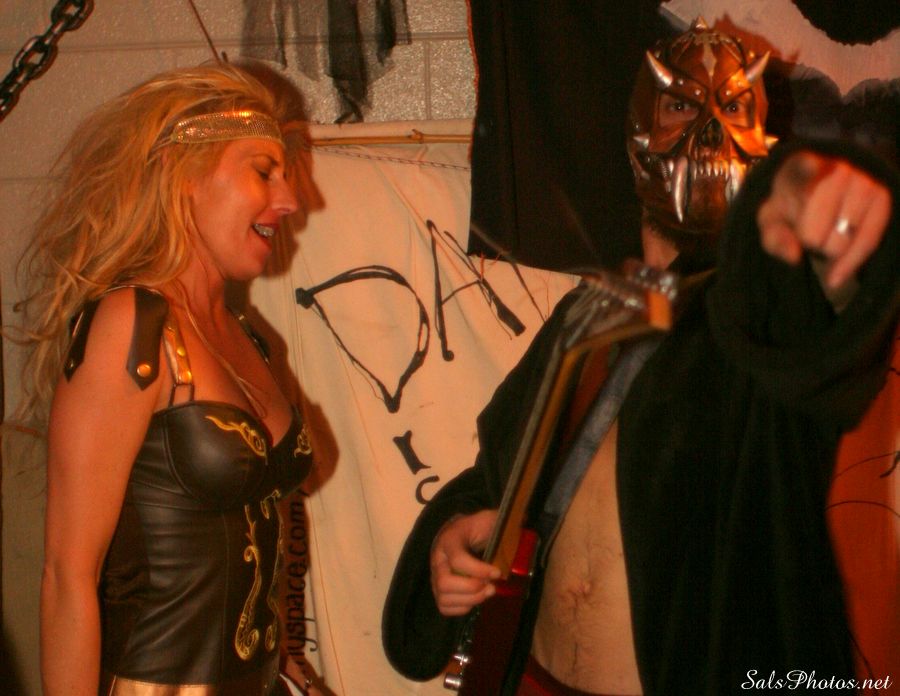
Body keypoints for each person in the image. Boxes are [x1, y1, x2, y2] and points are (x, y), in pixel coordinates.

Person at [383, 20, 898, 696]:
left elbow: (825, 327)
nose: (708, 131)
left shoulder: (756, 315)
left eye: (733, 107)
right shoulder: (591, 313)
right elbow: (499, 477)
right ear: (637, 136)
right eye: (682, 104)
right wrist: (451, 540)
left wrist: (839, 212)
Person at [12, 63, 317, 695]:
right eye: (264, 172)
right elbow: (68, 576)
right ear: (184, 176)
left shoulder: (247, 334)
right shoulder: (133, 323)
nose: (290, 200)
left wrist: (286, 664)